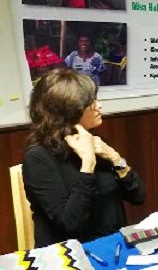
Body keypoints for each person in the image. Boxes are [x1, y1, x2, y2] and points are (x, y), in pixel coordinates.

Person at [22, 69, 144, 247]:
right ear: (69, 110)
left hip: (113, 247)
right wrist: (88, 165)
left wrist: (116, 158)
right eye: (90, 103)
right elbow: (71, 223)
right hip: (70, 256)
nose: (99, 106)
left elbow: (138, 196)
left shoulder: (96, 141)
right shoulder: (38, 158)